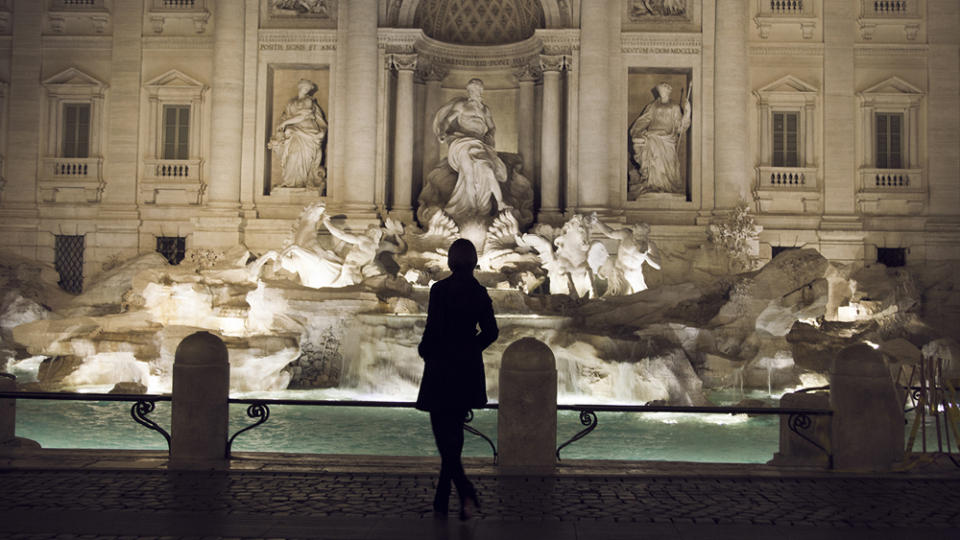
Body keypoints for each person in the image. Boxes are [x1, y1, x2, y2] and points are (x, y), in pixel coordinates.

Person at [416, 238, 498, 520]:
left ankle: (464, 490)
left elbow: (433, 326)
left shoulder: (439, 290)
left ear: (450, 261)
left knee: (442, 429)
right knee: (455, 430)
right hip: (466, 368)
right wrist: (471, 348)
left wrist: (425, 350)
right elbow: (491, 331)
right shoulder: (479, 292)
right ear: (475, 261)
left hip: (440, 365)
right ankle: (443, 497)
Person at [433, 78, 511, 218]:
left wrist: (490, 135)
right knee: (468, 174)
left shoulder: (485, 110)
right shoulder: (462, 105)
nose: (476, 92)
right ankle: (471, 209)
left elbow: (492, 127)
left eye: (478, 89)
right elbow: (447, 121)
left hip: (480, 144)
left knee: (487, 169)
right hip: (462, 142)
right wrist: (442, 132)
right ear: (469, 91)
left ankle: (500, 203)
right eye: (473, 89)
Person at [628, 82, 691, 194]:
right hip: (652, 136)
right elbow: (644, 120)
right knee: (643, 144)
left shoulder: (674, 107)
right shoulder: (652, 106)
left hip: (668, 139)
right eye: (660, 89)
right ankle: (650, 182)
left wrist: (687, 113)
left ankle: (665, 186)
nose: (662, 91)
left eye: (664, 89)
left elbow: (680, 127)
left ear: (668, 91)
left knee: (656, 150)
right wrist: (636, 131)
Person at [267, 79, 327, 190]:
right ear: (300, 87)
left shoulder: (308, 101)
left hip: (307, 132)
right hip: (293, 133)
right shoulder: (291, 102)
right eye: (305, 88)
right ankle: (290, 182)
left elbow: (303, 116)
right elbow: (284, 116)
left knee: (303, 157)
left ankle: (301, 183)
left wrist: (286, 123)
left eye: (308, 89)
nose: (306, 91)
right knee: (292, 156)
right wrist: (280, 127)